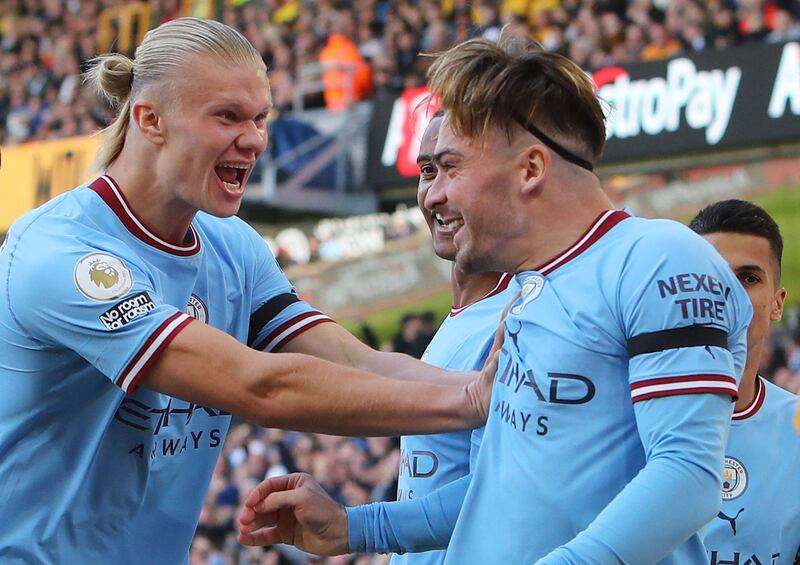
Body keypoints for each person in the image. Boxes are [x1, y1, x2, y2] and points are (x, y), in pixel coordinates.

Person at [236, 33, 753, 563]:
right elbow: (501, 488)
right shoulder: (534, 291)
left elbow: (686, 476)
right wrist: (356, 527)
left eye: (452, 166)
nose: (433, 194)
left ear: (530, 169)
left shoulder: (658, 257)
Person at [0, 18, 494, 564]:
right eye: (227, 116)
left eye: (261, 118)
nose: (255, 138)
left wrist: (504, 389)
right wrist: (470, 400)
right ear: (150, 120)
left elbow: (355, 361)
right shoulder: (61, 252)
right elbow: (258, 387)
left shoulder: (232, 245)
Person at [393, 112, 515, 565]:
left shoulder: (515, 318)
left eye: (453, 169)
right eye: (427, 171)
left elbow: (496, 494)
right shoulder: (463, 318)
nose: (435, 193)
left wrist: (355, 527)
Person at [689, 200, 800, 565]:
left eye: (748, 279)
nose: (728, 296)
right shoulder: (623, 416)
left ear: (777, 304)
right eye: (712, 276)